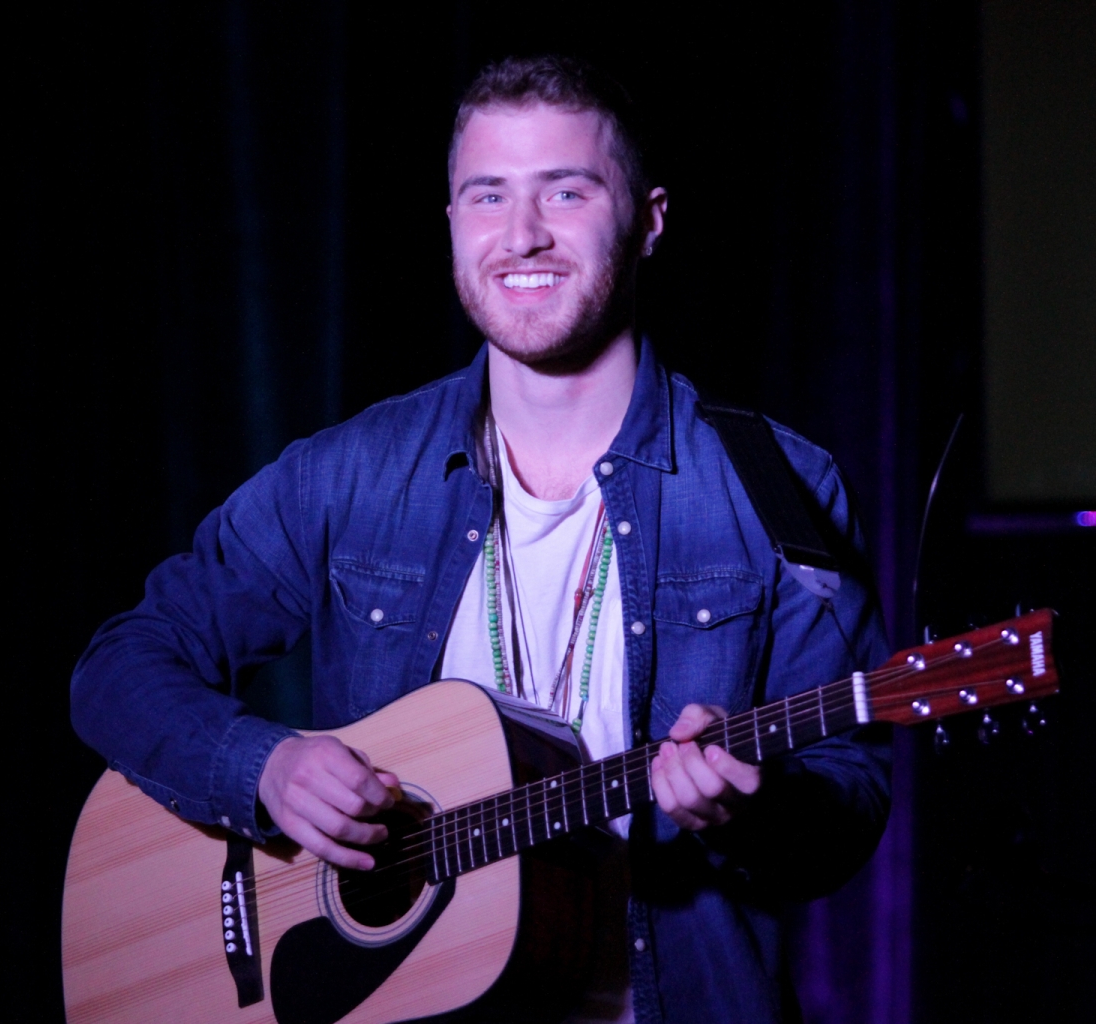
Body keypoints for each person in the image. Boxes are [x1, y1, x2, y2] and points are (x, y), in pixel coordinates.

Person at [71, 55, 892, 1024]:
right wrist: (263, 767)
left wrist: (753, 808)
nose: (523, 234)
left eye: (567, 191)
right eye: (487, 194)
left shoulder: (776, 486)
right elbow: (118, 667)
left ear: (650, 219)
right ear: (453, 222)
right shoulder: (350, 473)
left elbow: (848, 794)